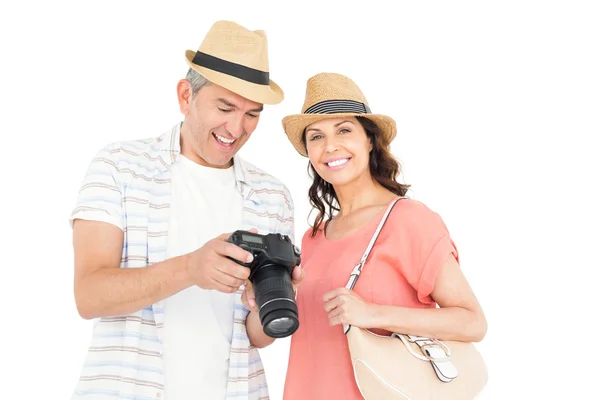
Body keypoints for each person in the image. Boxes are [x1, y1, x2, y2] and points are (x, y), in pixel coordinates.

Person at [69, 20, 303, 400]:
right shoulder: (118, 166)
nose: (237, 127)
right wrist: (191, 268)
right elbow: (89, 295)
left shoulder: (272, 196)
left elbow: (256, 337)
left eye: (252, 114)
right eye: (225, 107)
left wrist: (273, 303)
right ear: (185, 96)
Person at [280, 72, 487, 399]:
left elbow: (472, 322)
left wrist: (373, 313)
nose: (330, 145)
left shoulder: (408, 220)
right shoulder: (312, 238)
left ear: (370, 139)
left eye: (344, 130)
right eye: (316, 136)